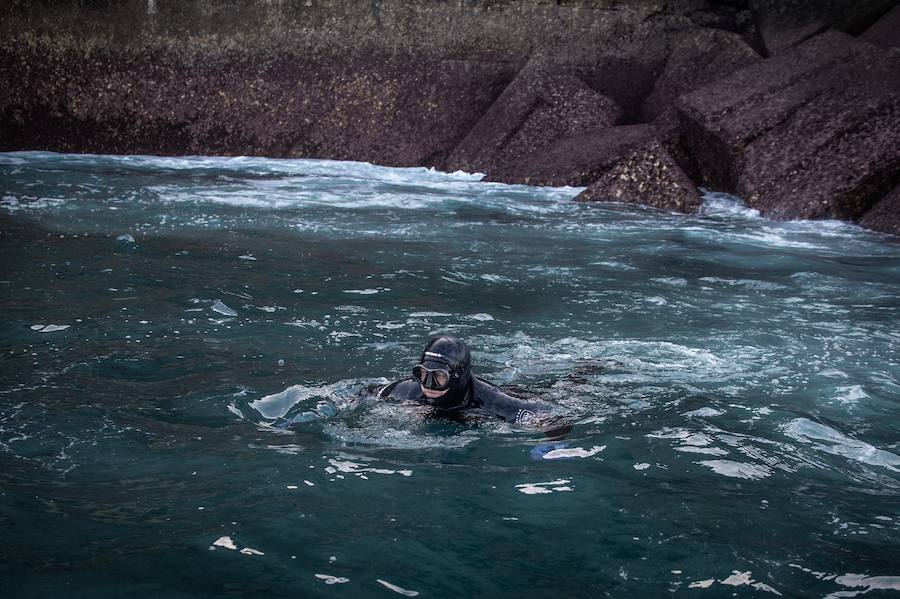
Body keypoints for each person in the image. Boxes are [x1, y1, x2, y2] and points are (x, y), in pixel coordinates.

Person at [375, 335, 571, 436]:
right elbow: (366, 393)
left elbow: (553, 417)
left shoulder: (491, 401)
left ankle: (586, 369)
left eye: (440, 377)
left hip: (518, 396)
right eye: (423, 374)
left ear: (458, 377)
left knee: (564, 388)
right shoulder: (410, 389)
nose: (428, 384)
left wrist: (552, 446)